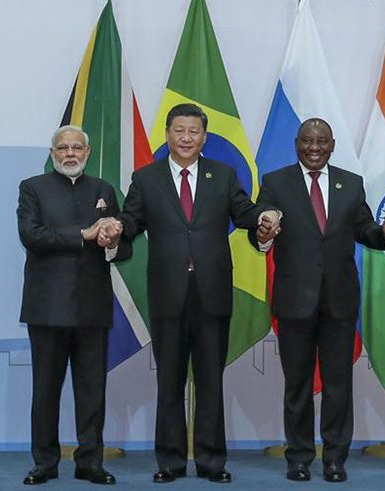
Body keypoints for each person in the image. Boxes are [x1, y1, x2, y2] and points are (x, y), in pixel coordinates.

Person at [108, 103, 279, 484]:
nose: (186, 138)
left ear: (204, 137)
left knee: (210, 381)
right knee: (168, 381)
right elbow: (132, 221)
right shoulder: (146, 178)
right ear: (167, 134)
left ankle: (212, 462)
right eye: (179, 131)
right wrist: (117, 230)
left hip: (212, 293)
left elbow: (246, 213)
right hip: (166, 293)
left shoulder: (224, 175)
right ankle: (169, 462)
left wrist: (266, 220)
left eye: (194, 132)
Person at [248, 118, 385, 483]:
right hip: (294, 300)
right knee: (297, 386)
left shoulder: (351, 183)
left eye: (321, 141)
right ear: (296, 144)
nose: (314, 148)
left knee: (339, 385)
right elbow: (259, 229)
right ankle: (299, 458)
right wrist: (263, 235)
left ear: (332, 145)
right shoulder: (275, 182)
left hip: (339, 300)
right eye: (307, 141)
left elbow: (365, 229)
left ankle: (335, 459)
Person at [17, 125, 130, 486]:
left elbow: (122, 249)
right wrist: (84, 234)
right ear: (52, 154)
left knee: (92, 390)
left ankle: (90, 462)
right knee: (45, 391)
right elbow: (31, 235)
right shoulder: (33, 187)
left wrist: (112, 241)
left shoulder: (103, 190)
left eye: (76, 148)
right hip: (47, 308)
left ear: (88, 152)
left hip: (92, 308)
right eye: (63, 148)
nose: (70, 154)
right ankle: (45, 463)